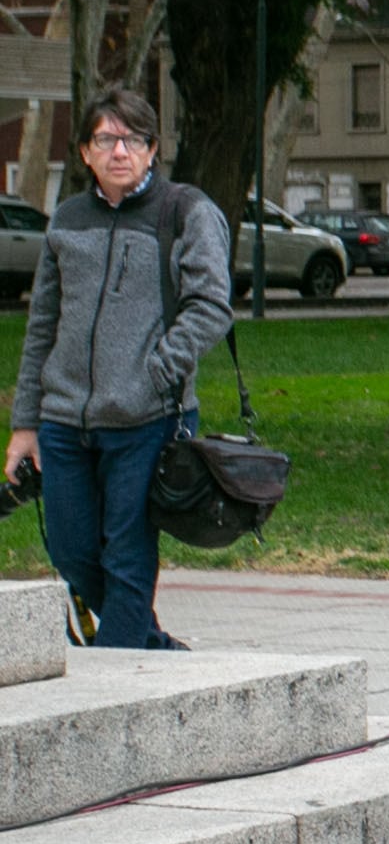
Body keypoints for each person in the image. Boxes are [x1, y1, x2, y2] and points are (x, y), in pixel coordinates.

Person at [7, 86, 231, 650]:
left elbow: (211, 307)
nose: (119, 151)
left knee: (127, 552)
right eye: (105, 139)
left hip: (145, 417)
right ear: (84, 152)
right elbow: (42, 325)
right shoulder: (68, 219)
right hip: (64, 420)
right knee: (70, 548)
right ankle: (150, 650)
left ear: (153, 149)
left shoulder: (186, 211)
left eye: (133, 139)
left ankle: (117, 678)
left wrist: (156, 371)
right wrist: (25, 424)